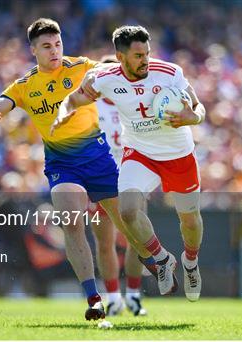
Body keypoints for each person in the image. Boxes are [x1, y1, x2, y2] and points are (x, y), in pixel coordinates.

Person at [0, 18, 153, 320]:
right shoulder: (24, 85)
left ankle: (148, 274)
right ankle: (98, 298)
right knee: (80, 227)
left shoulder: (81, 67)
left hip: (101, 164)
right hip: (62, 165)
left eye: (57, 44)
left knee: (129, 226)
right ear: (33, 50)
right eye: (46, 46)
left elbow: (117, 71)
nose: (54, 50)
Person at [52, 25, 205, 301]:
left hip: (177, 153)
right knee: (128, 212)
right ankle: (162, 259)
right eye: (138, 55)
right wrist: (62, 113)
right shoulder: (106, 78)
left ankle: (190, 262)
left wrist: (192, 118)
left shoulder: (170, 72)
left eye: (147, 53)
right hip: (139, 152)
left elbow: (198, 107)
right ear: (120, 57)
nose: (145, 59)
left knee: (190, 220)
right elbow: (75, 98)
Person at [89, 56, 147, 316]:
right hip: (101, 177)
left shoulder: (133, 100)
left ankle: (133, 295)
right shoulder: (89, 105)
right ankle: (113, 297)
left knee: (138, 238)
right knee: (104, 241)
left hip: (130, 175)